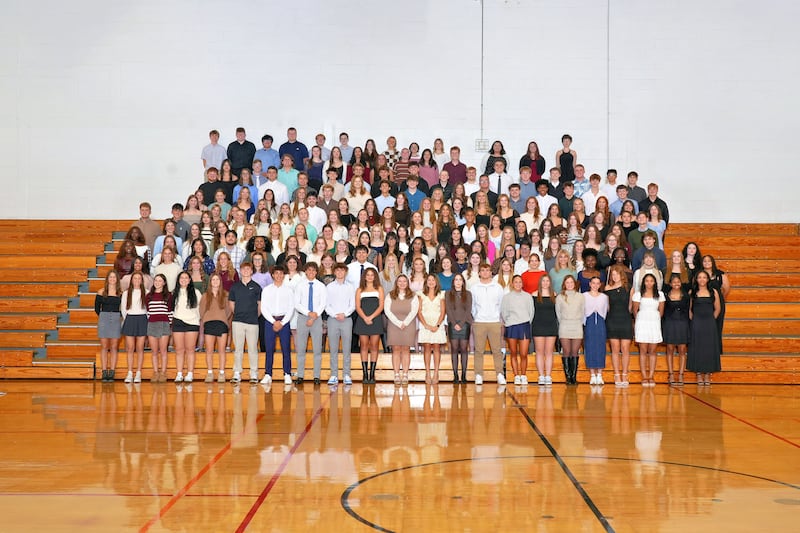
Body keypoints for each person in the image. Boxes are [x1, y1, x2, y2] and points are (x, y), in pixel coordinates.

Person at [470, 263, 506, 386]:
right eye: (482, 270)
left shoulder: (498, 287)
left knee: (496, 350)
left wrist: (498, 318)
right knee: (479, 350)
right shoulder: (474, 288)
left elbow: (501, 305)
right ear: (479, 273)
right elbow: (472, 305)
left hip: (494, 322)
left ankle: (500, 374)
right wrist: (477, 316)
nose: (485, 272)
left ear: (491, 272)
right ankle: (479, 374)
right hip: (479, 322)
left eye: (487, 270)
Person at [291, 262, 327, 385]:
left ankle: (316, 376)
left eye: (313, 270)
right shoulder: (300, 286)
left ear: (316, 272)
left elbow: (323, 303)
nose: (311, 272)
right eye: (309, 270)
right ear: (305, 271)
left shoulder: (321, 286)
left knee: (317, 349)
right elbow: (297, 303)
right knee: (301, 348)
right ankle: (300, 375)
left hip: (317, 319)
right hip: (302, 318)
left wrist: (315, 314)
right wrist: (308, 313)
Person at [321, 263, 356, 386]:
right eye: (338, 270)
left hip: (346, 319)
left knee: (347, 348)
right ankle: (334, 374)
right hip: (332, 319)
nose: (340, 273)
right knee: (333, 348)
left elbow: (353, 304)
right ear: (334, 272)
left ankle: (346, 374)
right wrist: (335, 314)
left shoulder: (350, 287)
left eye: (342, 271)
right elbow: (326, 304)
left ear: (345, 272)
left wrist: (344, 314)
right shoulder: (329, 287)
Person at [228, 261, 262, 383]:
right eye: (244, 269)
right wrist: (238, 313)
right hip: (238, 322)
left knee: (253, 348)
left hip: (252, 322)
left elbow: (259, 305)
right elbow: (231, 304)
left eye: (248, 269)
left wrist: (253, 315)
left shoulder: (257, 287)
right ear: (240, 271)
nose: (246, 271)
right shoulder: (235, 287)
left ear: (252, 271)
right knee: (238, 348)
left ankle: (254, 373)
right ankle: (237, 372)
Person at [687, 271, 722, 386]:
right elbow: (689, 310)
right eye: (699, 277)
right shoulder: (692, 292)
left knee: (708, 348)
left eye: (704, 277)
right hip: (697, 323)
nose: (702, 279)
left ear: (708, 279)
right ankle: (698, 373)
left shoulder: (714, 292)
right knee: (697, 346)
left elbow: (717, 309)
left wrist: (711, 320)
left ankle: (707, 373)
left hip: (709, 323)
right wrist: (695, 321)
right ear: (696, 279)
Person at [384, 274, 420, 385]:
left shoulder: (413, 295)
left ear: (407, 283)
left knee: (406, 350)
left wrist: (405, 323)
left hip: (408, 325)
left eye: (404, 281)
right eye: (400, 281)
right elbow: (387, 311)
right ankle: (396, 374)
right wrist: (399, 323)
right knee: (395, 349)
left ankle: (405, 374)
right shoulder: (390, 295)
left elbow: (414, 310)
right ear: (396, 283)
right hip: (394, 325)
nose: (402, 283)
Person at [632, 273, 665, 386]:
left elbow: (661, 312)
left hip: (654, 323)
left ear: (655, 282)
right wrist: (640, 321)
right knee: (643, 350)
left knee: (652, 351)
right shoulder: (637, 295)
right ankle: (644, 376)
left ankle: (651, 376)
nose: (649, 283)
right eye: (647, 281)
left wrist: (653, 319)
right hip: (642, 323)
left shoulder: (660, 294)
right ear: (643, 282)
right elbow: (635, 311)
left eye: (651, 280)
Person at [501, 275, 534, 385]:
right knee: (514, 353)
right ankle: (516, 376)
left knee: (524, 353)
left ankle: (523, 375)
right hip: (511, 326)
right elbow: (504, 312)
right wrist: (509, 322)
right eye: (516, 282)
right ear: (512, 283)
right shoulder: (507, 297)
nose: (518, 284)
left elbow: (531, 312)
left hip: (524, 325)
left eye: (520, 282)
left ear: (522, 283)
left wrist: (525, 321)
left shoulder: (528, 297)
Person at [354, 267, 385, 384]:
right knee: (363, 346)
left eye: (372, 275)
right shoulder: (359, 290)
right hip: (363, 320)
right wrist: (365, 318)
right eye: (368, 275)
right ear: (364, 277)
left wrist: (371, 317)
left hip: (375, 319)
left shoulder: (379, 289)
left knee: (374, 346)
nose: (370, 277)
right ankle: (365, 374)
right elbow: (357, 306)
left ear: (375, 276)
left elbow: (381, 306)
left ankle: (372, 374)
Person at [604, 265, 633, 387]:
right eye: (613, 274)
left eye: (617, 274)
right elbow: (607, 307)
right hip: (612, 320)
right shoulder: (607, 288)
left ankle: (625, 374)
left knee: (625, 348)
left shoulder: (629, 288)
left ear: (622, 274)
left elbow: (631, 307)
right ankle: (617, 374)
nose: (615, 276)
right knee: (615, 349)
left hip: (625, 319)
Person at [171, 271, 202, 383]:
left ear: (189, 280)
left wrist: (196, 320)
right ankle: (179, 373)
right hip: (178, 321)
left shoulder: (196, 292)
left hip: (192, 323)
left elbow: (200, 309)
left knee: (190, 349)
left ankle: (190, 373)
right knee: (179, 350)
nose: (184, 280)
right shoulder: (174, 292)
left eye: (186, 278)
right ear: (178, 280)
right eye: (181, 278)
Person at [200, 273, 231, 383]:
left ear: (220, 282)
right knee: (209, 350)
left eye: (217, 279)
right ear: (210, 282)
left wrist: (222, 318)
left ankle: (221, 373)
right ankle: (210, 373)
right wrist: (207, 319)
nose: (215, 281)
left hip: (222, 323)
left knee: (222, 350)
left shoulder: (226, 295)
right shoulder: (205, 296)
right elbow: (202, 311)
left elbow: (228, 311)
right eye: (213, 280)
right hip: (209, 323)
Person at [417, 274, 447, 384]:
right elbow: (419, 311)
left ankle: (436, 373)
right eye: (429, 280)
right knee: (427, 348)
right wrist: (426, 325)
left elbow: (443, 312)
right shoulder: (421, 294)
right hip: (425, 324)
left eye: (433, 280)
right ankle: (428, 373)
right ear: (426, 282)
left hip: (437, 324)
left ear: (436, 282)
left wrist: (437, 325)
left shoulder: (441, 294)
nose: (431, 282)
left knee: (437, 348)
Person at [556, 275, 584, 385]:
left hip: (577, 325)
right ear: (564, 284)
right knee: (566, 351)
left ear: (575, 283)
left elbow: (582, 312)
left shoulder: (581, 297)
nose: (569, 284)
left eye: (571, 282)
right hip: (565, 326)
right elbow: (558, 313)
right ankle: (568, 377)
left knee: (574, 352)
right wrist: (564, 321)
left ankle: (574, 376)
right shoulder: (560, 297)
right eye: (567, 282)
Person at [145, 274, 173, 383]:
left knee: (163, 350)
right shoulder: (149, 296)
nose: (157, 282)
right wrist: (150, 321)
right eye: (156, 280)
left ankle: (163, 372)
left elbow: (170, 311)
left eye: (160, 280)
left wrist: (169, 324)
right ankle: (156, 372)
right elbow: (148, 311)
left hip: (164, 324)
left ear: (164, 283)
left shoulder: (168, 295)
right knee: (154, 351)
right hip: (152, 324)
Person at [663, 273, 690, 385]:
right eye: (674, 282)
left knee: (682, 349)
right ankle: (671, 374)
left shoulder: (686, 296)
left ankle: (681, 374)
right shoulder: (665, 295)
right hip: (670, 323)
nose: (676, 283)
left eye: (678, 282)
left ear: (681, 283)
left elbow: (689, 311)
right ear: (670, 284)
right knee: (670, 349)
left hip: (682, 323)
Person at [95, 270, 122, 382]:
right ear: (107, 279)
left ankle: (112, 371)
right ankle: (104, 371)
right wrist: (103, 317)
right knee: (105, 346)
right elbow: (97, 308)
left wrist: (118, 317)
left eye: (114, 277)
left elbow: (124, 307)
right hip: (104, 319)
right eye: (110, 277)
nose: (112, 279)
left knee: (114, 346)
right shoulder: (101, 292)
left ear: (117, 279)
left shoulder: (121, 293)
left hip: (115, 319)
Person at [702, 254, 731, 354]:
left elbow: (726, 289)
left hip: (717, 305)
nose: (707, 263)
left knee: (717, 328)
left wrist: (719, 299)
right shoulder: (699, 275)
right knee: (705, 329)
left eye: (709, 261)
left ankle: (716, 351)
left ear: (713, 262)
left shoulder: (720, 275)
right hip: (703, 305)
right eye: (704, 261)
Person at [532, 274, 558, 385]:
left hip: (551, 325)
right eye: (543, 281)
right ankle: (541, 375)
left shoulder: (555, 295)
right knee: (539, 351)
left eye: (547, 281)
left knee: (549, 352)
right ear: (540, 283)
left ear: (550, 283)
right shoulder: (534, 295)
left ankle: (548, 375)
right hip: (538, 325)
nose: (545, 283)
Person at [583, 276, 609, 385]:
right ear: (590, 284)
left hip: (600, 323)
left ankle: (599, 374)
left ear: (600, 285)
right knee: (589, 346)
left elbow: (605, 311)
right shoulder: (584, 296)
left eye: (597, 283)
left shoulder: (604, 297)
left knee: (600, 347)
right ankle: (592, 374)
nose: (595, 285)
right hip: (589, 323)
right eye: (593, 283)